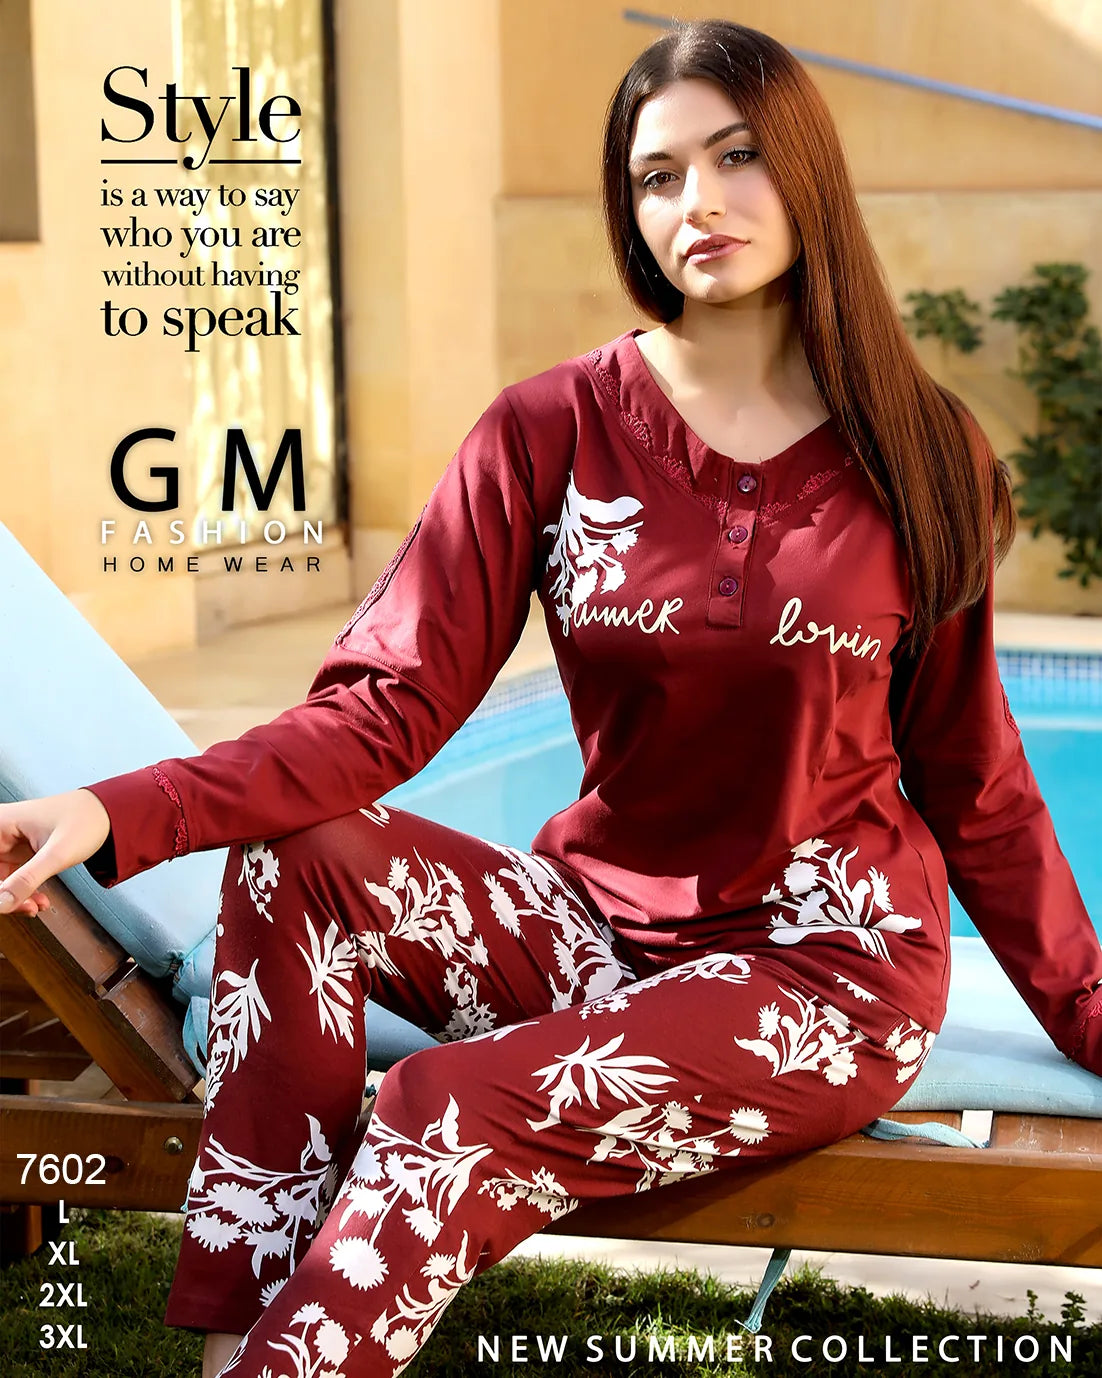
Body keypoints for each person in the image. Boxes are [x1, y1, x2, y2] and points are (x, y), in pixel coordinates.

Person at [2, 17, 1100, 1378]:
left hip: (821, 974)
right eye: (655, 176)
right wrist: (115, 808)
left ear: (805, 169)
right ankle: (238, 1345)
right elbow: (379, 706)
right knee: (302, 860)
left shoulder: (921, 452)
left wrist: (1094, 1017)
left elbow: (977, 785)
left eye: (736, 157)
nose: (694, 202)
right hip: (590, 931)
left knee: (439, 1103)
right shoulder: (548, 429)